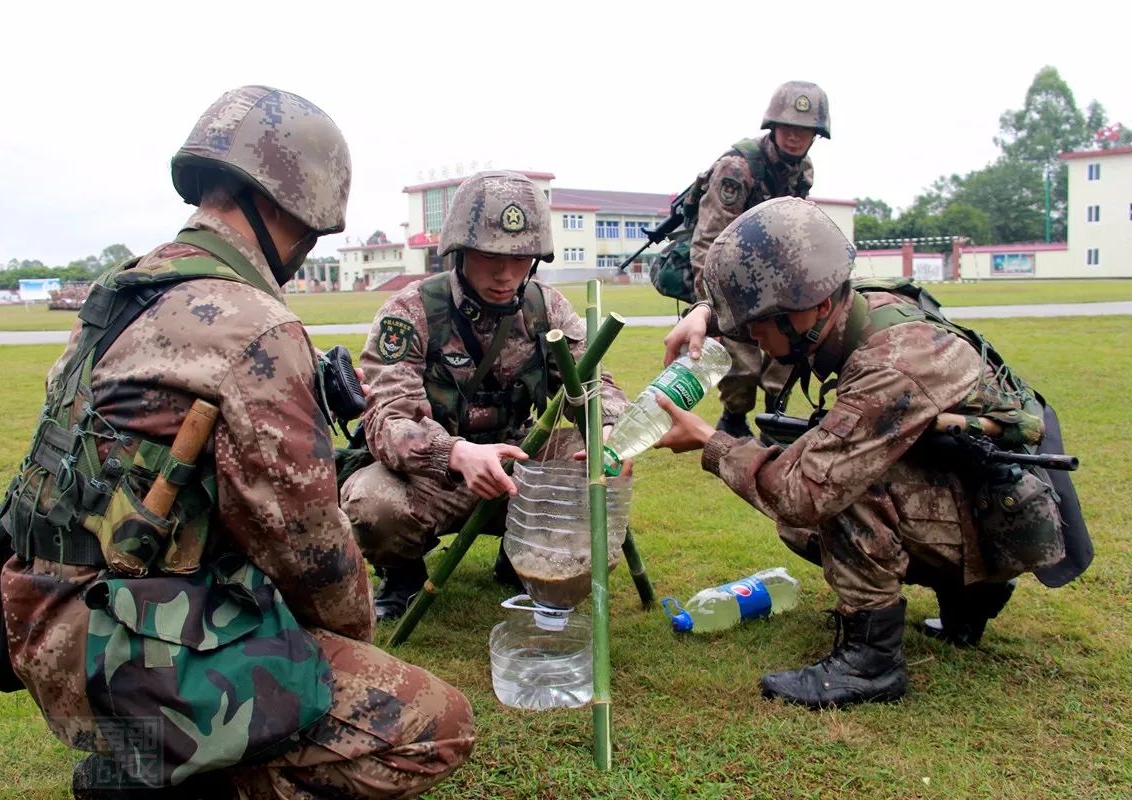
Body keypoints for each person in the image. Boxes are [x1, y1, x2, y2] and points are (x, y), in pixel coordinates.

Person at [0, 85, 474, 798]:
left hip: (36, 617)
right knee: (437, 723)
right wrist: (347, 641)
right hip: (116, 652)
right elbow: (312, 556)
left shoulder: (121, 291)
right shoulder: (256, 327)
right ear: (291, 204)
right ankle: (173, 777)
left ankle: (146, 756)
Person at [656, 196, 1072, 709]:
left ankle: (870, 662)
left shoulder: (893, 362)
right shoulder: (856, 300)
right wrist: (704, 314)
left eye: (758, 324)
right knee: (836, 468)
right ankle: (969, 600)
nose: (751, 338)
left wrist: (709, 441)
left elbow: (805, 493)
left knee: (834, 488)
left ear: (815, 307)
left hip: (1004, 518)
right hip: (988, 497)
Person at [341, 170, 630, 621]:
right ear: (459, 252)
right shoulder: (410, 311)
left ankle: (523, 556)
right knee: (372, 503)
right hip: (439, 475)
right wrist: (454, 453)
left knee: (585, 460)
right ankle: (402, 575)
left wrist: (609, 426)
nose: (505, 274)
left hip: (520, 464)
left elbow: (594, 385)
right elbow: (387, 419)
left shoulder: (546, 308)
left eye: (521, 259)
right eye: (490, 256)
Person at [679, 80, 830, 438]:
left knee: (790, 351)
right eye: (788, 127)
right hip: (729, 275)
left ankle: (773, 422)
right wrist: (710, 304)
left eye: (805, 130)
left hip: (775, 277)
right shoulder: (737, 169)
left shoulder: (803, 171)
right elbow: (708, 241)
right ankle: (733, 420)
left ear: (816, 135)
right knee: (741, 365)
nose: (795, 137)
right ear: (773, 126)